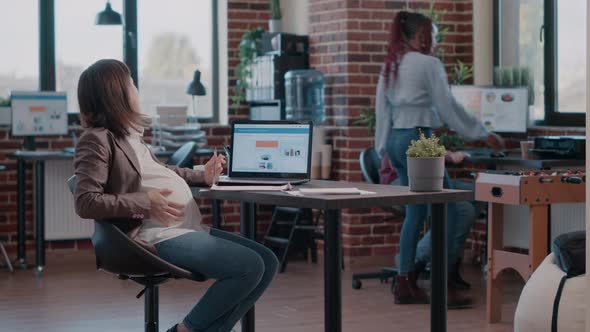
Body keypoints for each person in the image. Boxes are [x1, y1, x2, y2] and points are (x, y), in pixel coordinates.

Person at [73, 59, 278, 332]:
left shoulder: (129, 136)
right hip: (155, 235)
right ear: (116, 93)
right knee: (249, 266)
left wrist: (201, 176)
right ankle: (183, 330)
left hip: (182, 228)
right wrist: (146, 203)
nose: (136, 88)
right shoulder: (97, 139)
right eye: (131, 82)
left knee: (268, 261)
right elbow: (85, 201)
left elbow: (161, 171)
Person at [374, 12, 503, 307]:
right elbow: (448, 106)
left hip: (396, 139)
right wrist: (482, 133)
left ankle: (405, 283)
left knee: (416, 213)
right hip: (418, 138)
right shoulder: (428, 63)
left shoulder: (392, 63)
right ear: (416, 33)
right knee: (453, 209)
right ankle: (444, 286)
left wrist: (382, 146)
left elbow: (381, 108)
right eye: (428, 32)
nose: (432, 38)